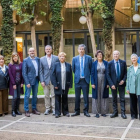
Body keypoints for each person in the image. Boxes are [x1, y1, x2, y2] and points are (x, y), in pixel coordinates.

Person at [71, 44, 92, 117]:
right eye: (80, 49)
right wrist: (77, 76)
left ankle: (86, 111)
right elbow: (73, 69)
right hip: (77, 80)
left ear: (84, 50)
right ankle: (77, 111)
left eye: (82, 49)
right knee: (77, 97)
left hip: (85, 80)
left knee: (86, 97)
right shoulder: (74, 59)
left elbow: (90, 68)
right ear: (78, 50)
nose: (81, 50)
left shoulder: (89, 58)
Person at [51, 52, 72, 118]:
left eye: (63, 56)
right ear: (59, 58)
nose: (62, 57)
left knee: (65, 98)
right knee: (57, 98)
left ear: (65, 58)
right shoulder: (55, 65)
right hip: (58, 84)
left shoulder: (68, 65)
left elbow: (71, 75)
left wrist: (70, 84)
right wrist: (55, 84)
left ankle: (65, 112)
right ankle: (57, 113)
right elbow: (52, 75)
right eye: (61, 56)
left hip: (65, 84)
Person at [107, 50, 127, 119]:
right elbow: (108, 75)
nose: (116, 56)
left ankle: (123, 113)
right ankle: (115, 112)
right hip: (113, 85)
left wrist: (123, 80)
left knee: (122, 99)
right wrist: (111, 84)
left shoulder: (123, 62)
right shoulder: (110, 63)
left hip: (121, 84)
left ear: (119, 55)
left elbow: (125, 73)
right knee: (114, 99)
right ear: (113, 55)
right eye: (114, 54)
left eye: (117, 54)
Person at [40, 45, 59, 115]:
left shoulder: (56, 58)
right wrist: (42, 80)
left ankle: (54, 109)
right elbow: (40, 71)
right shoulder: (41, 59)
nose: (48, 50)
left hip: (54, 80)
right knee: (46, 95)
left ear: (51, 50)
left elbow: (58, 70)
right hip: (45, 80)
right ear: (45, 50)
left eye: (49, 49)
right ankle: (47, 109)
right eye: (47, 49)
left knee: (54, 95)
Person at [22, 48, 40, 117]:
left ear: (34, 52)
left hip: (36, 80)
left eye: (33, 51)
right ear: (28, 52)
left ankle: (34, 109)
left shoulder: (38, 59)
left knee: (35, 95)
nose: (32, 52)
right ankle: (26, 110)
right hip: (29, 81)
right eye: (30, 51)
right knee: (27, 95)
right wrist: (27, 82)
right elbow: (24, 73)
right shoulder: (26, 60)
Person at [91, 50, 109, 118]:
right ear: (96, 56)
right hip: (96, 80)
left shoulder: (106, 63)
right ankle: (96, 112)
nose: (100, 56)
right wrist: (92, 83)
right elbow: (92, 74)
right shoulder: (94, 63)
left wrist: (107, 83)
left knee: (103, 95)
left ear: (102, 55)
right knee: (96, 96)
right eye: (98, 55)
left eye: (101, 54)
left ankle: (104, 112)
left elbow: (108, 73)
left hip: (104, 80)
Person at [9, 52, 24, 117]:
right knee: (14, 97)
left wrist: (22, 82)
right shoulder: (10, 65)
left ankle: (17, 110)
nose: (15, 58)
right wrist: (13, 84)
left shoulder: (21, 64)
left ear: (18, 57)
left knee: (18, 97)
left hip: (19, 83)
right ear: (12, 58)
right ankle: (13, 110)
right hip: (14, 84)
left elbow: (23, 73)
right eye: (14, 57)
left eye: (16, 56)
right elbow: (10, 75)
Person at [126, 54, 140, 120]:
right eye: (132, 58)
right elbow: (128, 79)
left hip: (139, 87)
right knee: (133, 102)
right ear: (131, 60)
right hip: (132, 87)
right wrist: (127, 88)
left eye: (135, 58)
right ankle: (134, 115)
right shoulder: (130, 68)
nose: (134, 59)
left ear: (137, 59)